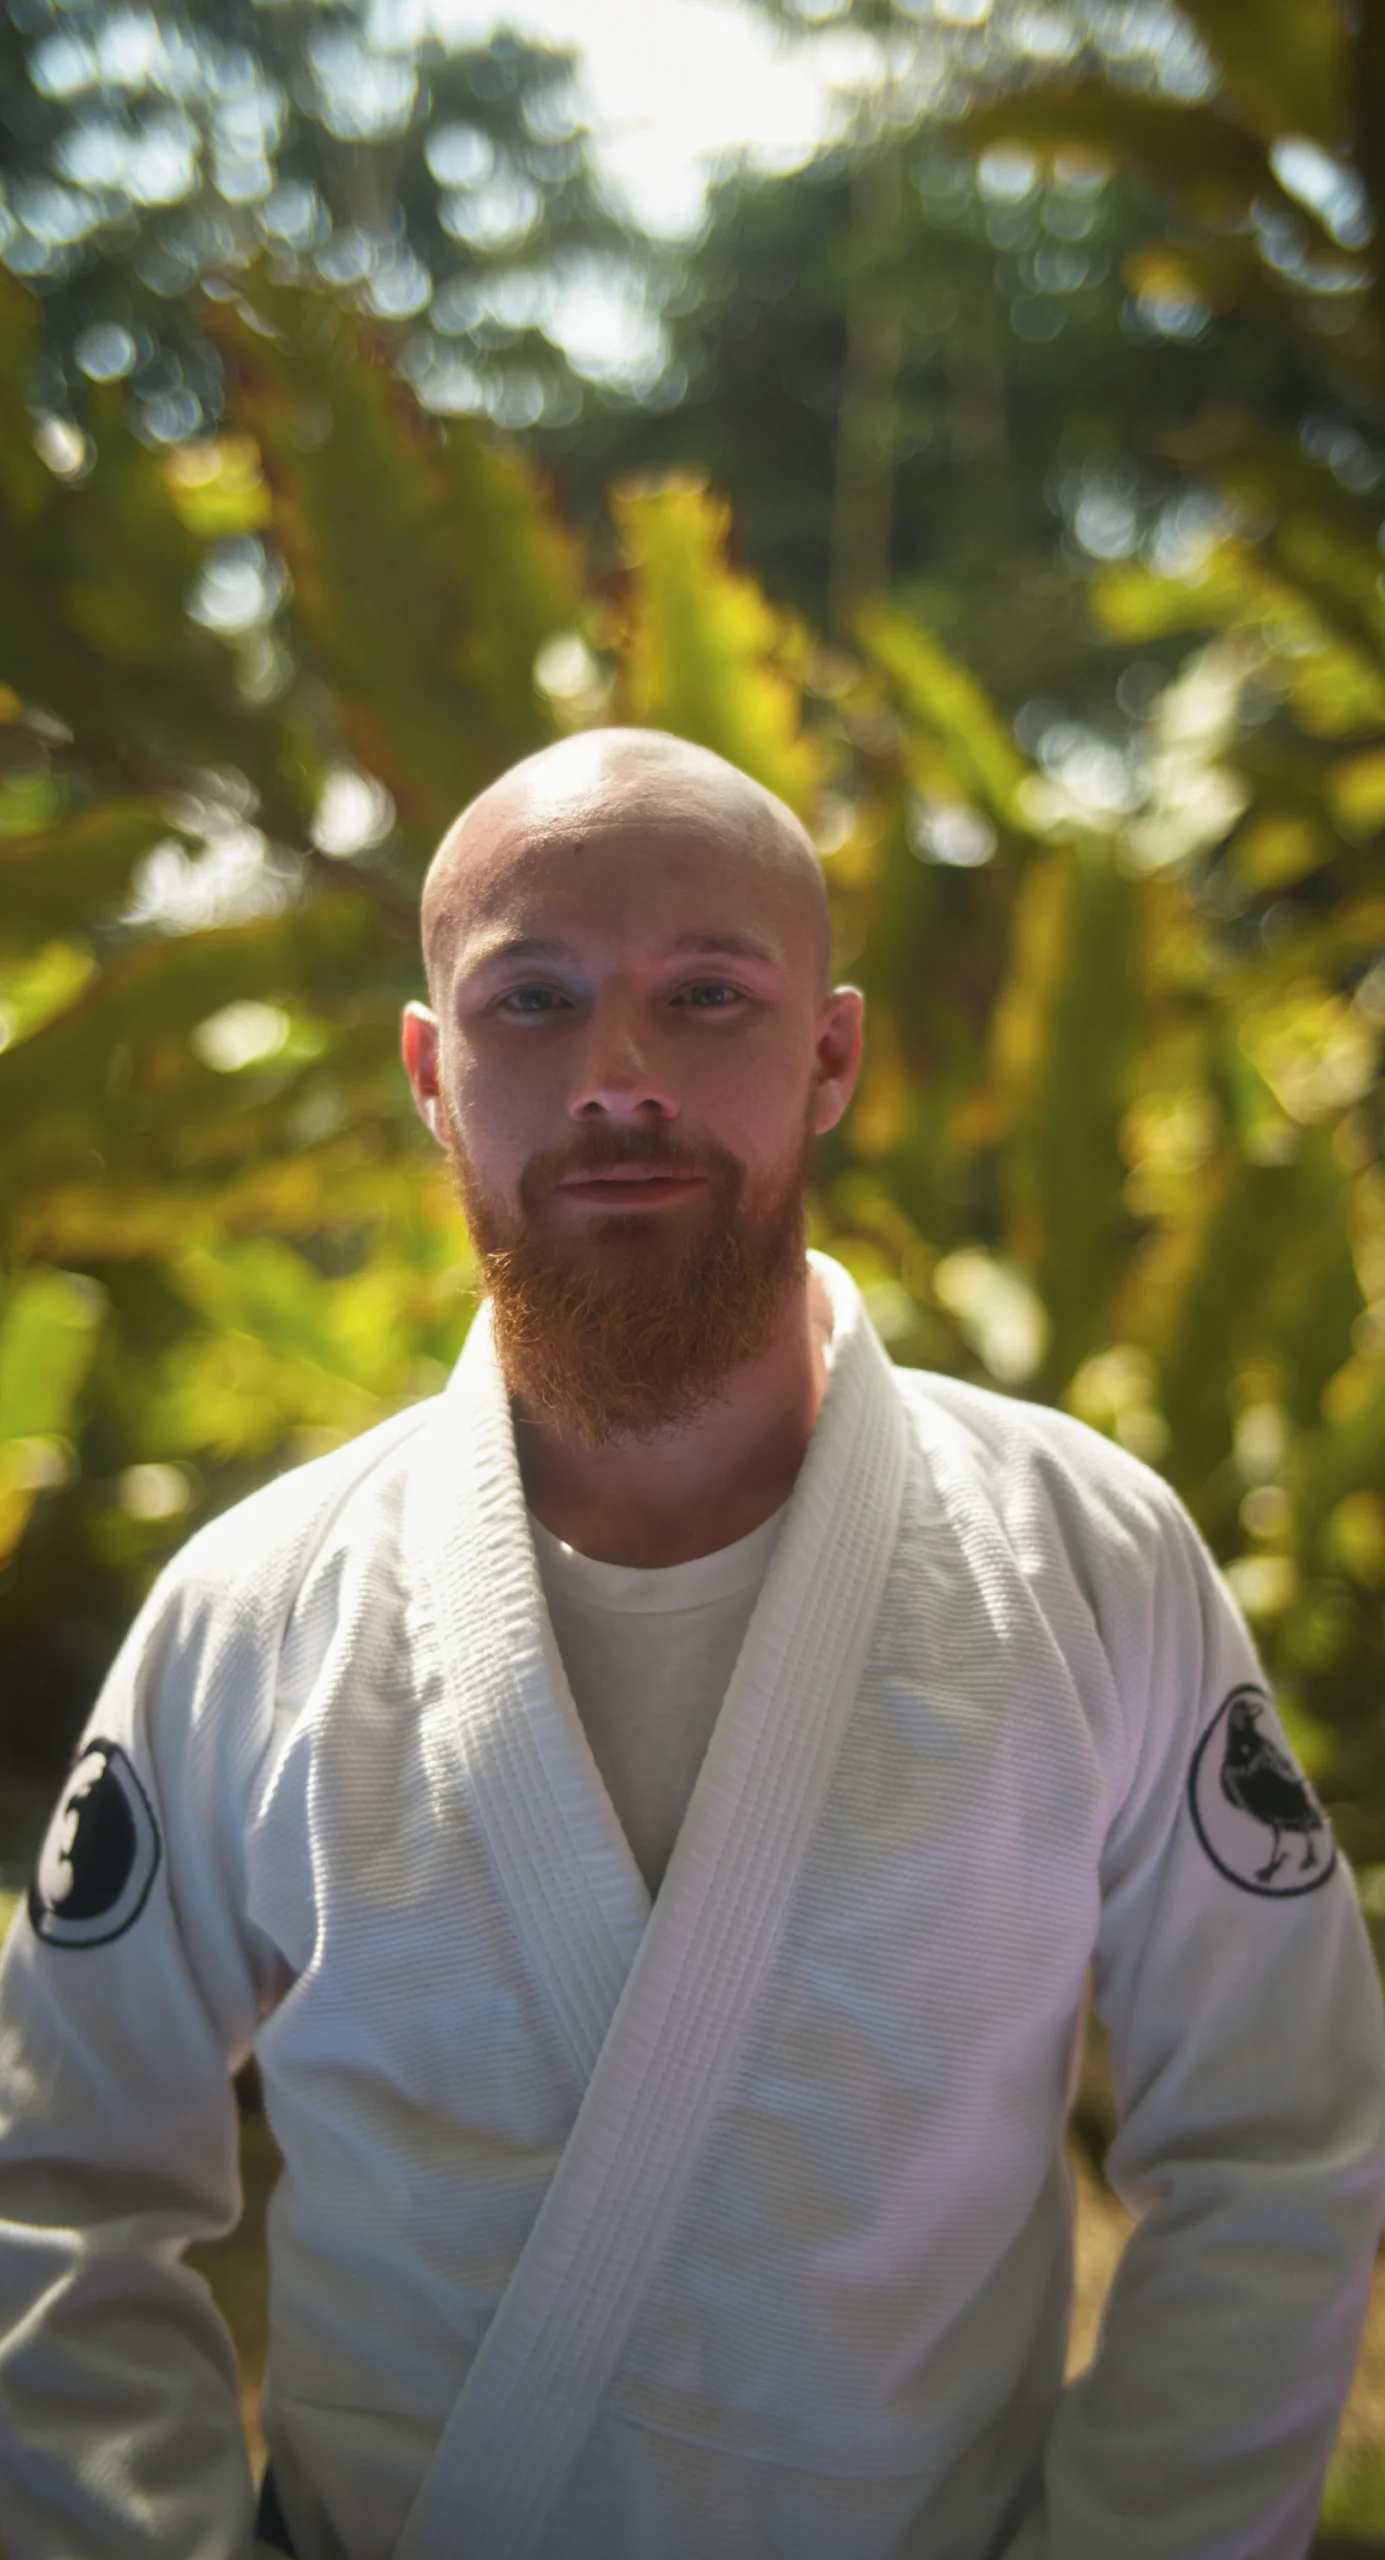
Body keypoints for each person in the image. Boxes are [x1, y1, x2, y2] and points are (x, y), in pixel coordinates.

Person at [0, 727, 1382, 2560]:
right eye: (533, 1000)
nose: (616, 1077)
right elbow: (55, 2179)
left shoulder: (1086, 1556)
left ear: (830, 1056)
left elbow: (1278, 2142)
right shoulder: (256, 1609)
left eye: (708, 998)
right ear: (434, 1071)